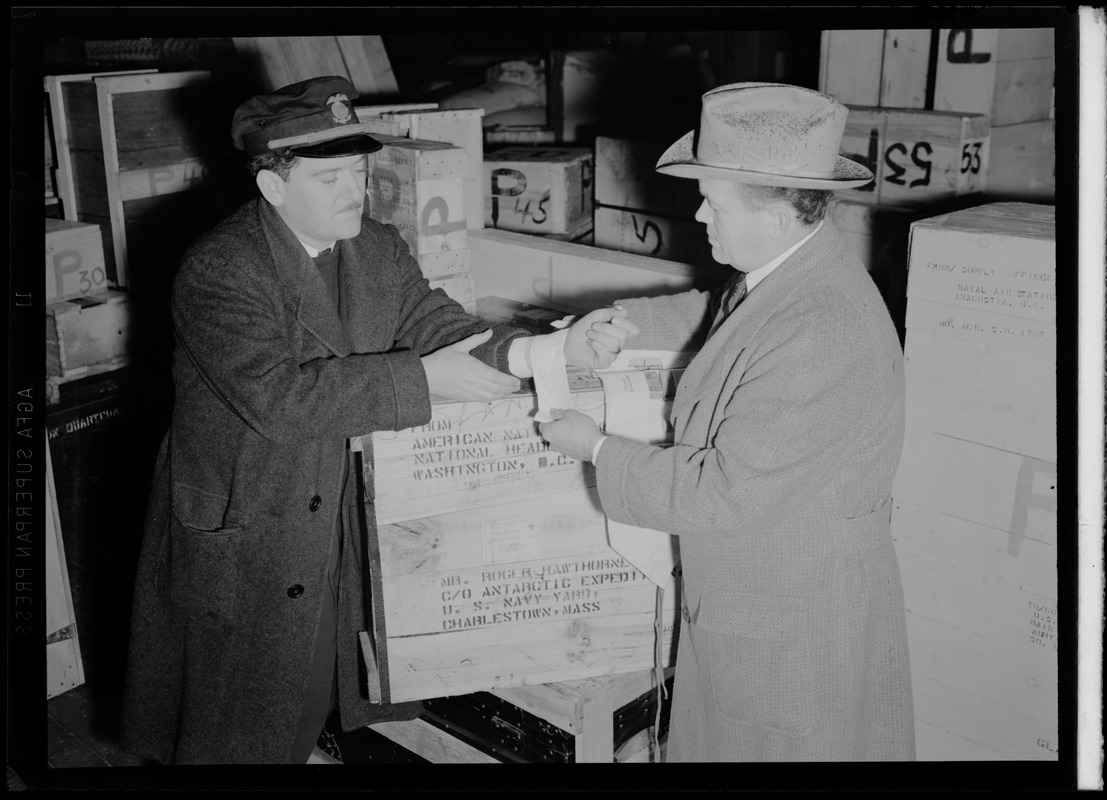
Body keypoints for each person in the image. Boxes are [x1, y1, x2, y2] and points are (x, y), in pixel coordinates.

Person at [119, 76, 635, 765]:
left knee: (314, 687)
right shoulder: (220, 269)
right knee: (239, 721)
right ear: (273, 188)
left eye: (358, 172)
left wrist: (552, 348)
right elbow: (279, 400)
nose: (353, 192)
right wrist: (424, 379)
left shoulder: (378, 247)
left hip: (333, 512)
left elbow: (443, 329)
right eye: (329, 177)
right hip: (253, 519)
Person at [540, 82, 916, 762]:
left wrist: (592, 447)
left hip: (793, 620)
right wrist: (619, 326)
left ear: (774, 213)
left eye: (714, 200)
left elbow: (720, 493)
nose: (700, 213)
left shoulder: (819, 332)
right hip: (770, 594)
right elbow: (723, 317)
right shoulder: (794, 268)